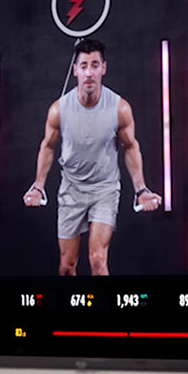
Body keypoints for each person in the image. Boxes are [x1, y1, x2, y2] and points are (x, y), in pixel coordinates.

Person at [23, 37, 160, 274]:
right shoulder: (59, 109)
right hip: (71, 189)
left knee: (97, 258)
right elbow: (48, 146)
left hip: (104, 189)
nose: (89, 73)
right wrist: (38, 186)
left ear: (103, 69)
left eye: (95, 65)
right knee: (67, 265)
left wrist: (141, 189)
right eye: (84, 66)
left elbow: (130, 147)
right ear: (75, 70)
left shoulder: (120, 108)